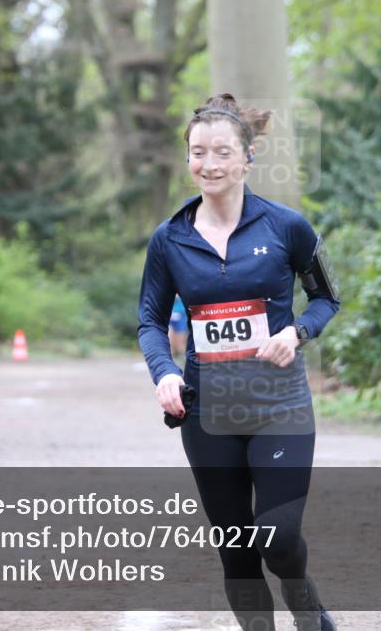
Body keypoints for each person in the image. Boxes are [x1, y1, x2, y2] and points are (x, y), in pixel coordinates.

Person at [138, 94, 339, 631]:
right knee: (237, 551)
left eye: (222, 152)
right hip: (208, 413)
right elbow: (149, 321)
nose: (209, 164)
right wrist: (165, 372)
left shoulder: (287, 227)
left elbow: (327, 298)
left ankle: (305, 604)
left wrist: (296, 332)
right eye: (198, 153)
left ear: (248, 158)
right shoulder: (169, 239)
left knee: (277, 537)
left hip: (279, 404)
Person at [168, 293, 189, 360]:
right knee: (169, 342)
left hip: (181, 314)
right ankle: (170, 361)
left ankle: (184, 359)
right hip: (170, 314)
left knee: (180, 345)